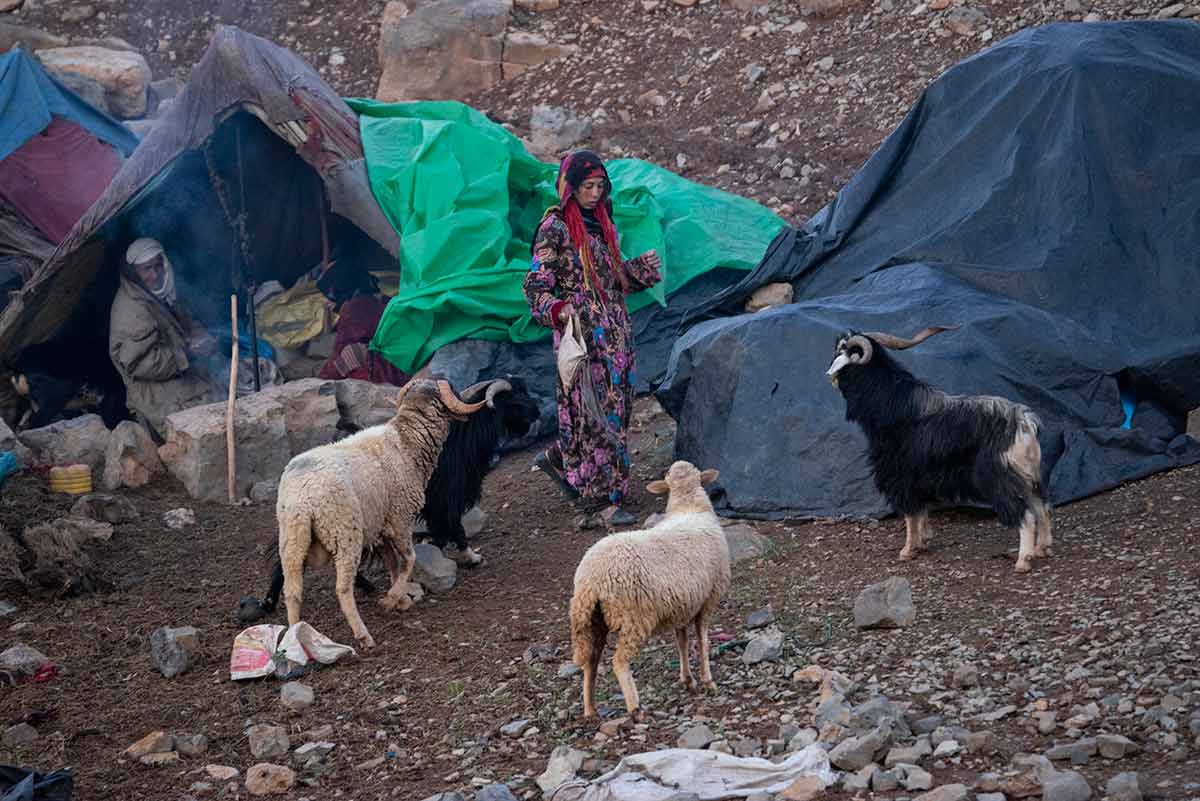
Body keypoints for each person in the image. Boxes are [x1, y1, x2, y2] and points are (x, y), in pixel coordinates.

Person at [523, 150, 663, 526]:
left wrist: (637, 272)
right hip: (583, 337)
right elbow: (536, 283)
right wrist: (558, 309)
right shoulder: (555, 227)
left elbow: (607, 280)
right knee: (593, 414)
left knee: (614, 411)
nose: (595, 193)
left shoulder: (602, 221)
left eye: (600, 186)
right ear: (569, 186)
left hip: (615, 334)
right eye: (587, 186)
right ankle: (601, 503)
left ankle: (563, 462)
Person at [108, 237, 224, 438]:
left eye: (158, 265)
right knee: (206, 422)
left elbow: (187, 323)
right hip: (154, 391)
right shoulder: (132, 310)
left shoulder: (159, 292)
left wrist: (204, 340)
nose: (155, 274)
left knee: (231, 387)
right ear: (135, 272)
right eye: (147, 269)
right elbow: (139, 364)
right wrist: (187, 354)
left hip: (181, 371)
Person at [314, 261, 408, 386]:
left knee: (351, 353)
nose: (327, 302)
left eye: (329, 295)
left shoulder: (356, 306)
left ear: (340, 289)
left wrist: (320, 382)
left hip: (393, 371)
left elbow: (342, 349)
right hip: (405, 364)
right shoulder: (381, 299)